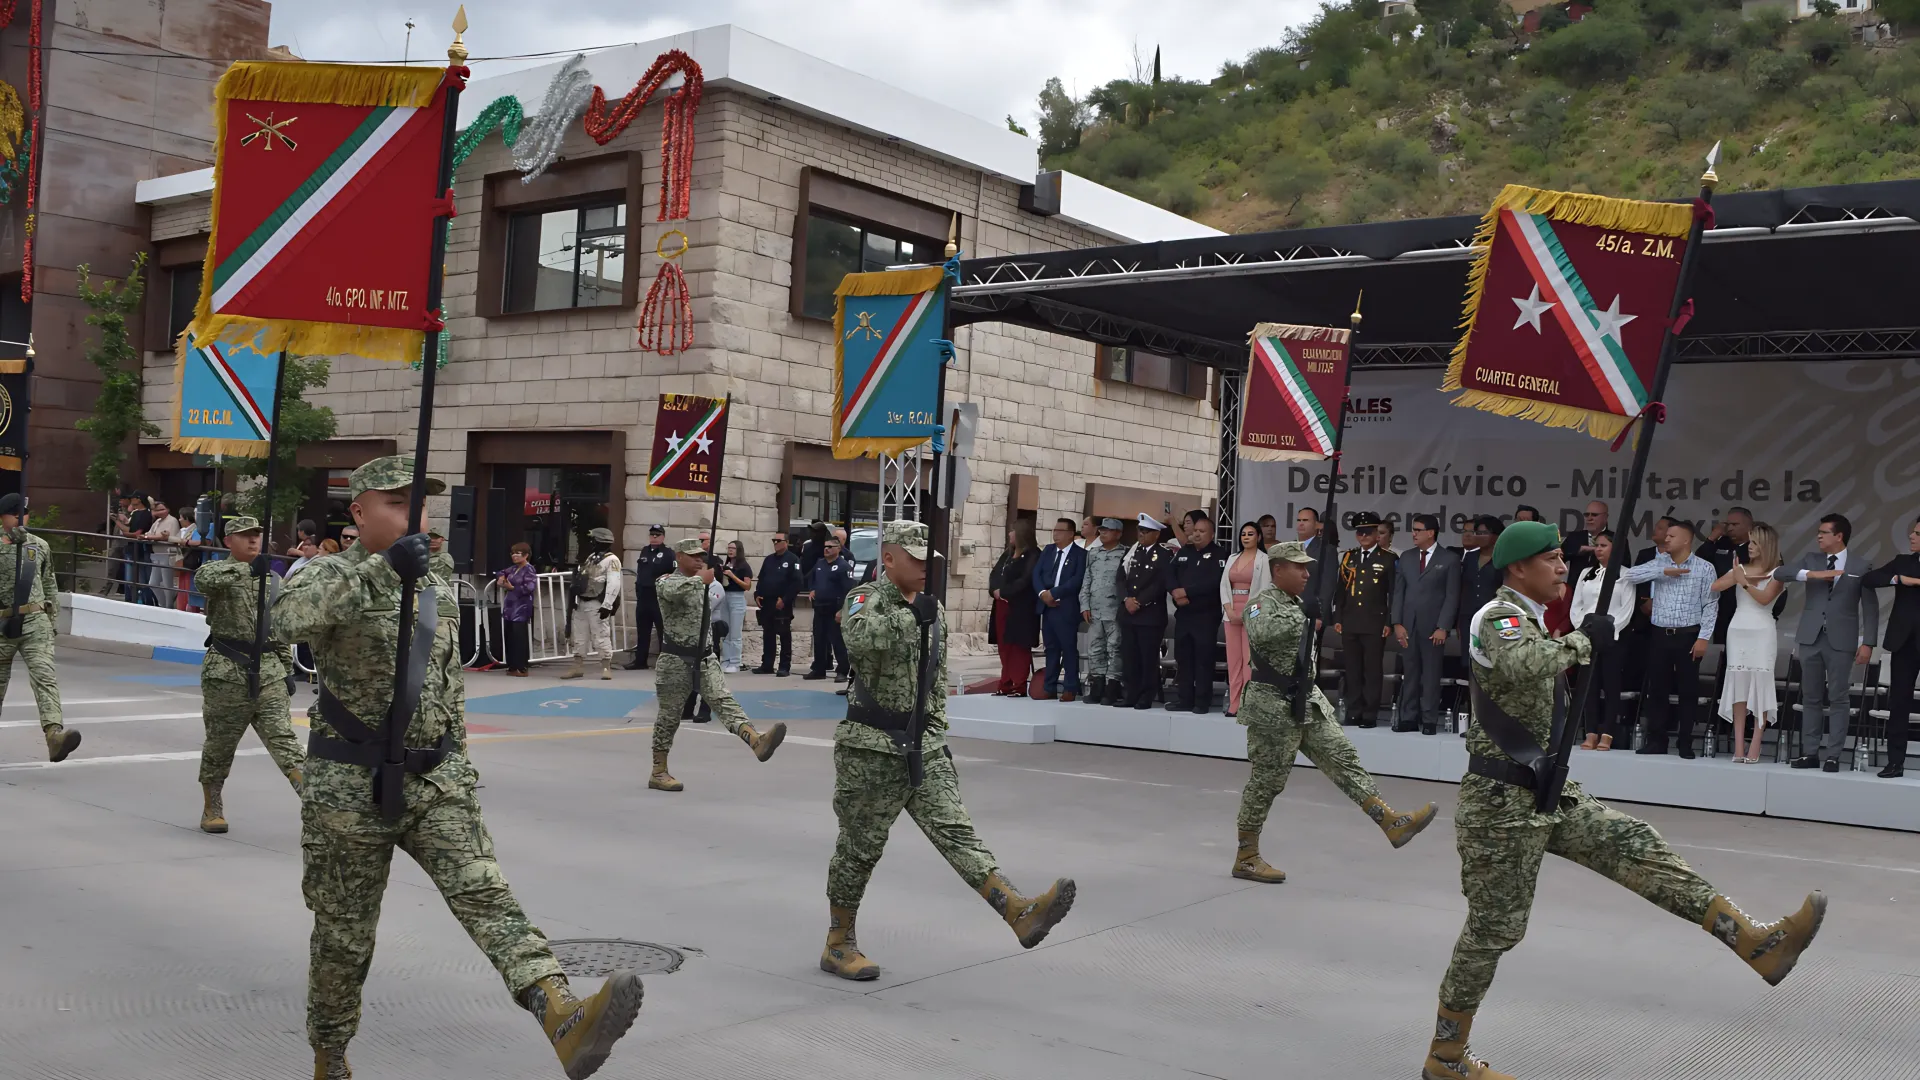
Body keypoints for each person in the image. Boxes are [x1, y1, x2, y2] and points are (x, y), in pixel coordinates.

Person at [274, 457, 644, 1080]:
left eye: (419, 502)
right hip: (349, 787)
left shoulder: (439, 582)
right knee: (344, 937)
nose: (413, 514)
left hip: (436, 780)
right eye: (395, 502)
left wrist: (458, 766)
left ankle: (560, 1013)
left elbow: (445, 684)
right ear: (359, 512)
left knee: (487, 896)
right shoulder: (327, 574)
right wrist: (384, 570)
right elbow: (287, 622)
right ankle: (330, 1055)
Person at [1423, 519, 1824, 1080]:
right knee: (1492, 932)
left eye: (1563, 558)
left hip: (1547, 792)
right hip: (1498, 805)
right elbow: (1522, 664)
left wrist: (1580, 639)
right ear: (1517, 568)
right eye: (1551, 559)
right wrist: (1586, 639)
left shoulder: (1537, 620)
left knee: (1634, 844)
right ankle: (1445, 1055)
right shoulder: (1499, 617)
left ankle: (1754, 942)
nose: (1564, 566)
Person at [821, 519, 1075, 981]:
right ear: (890, 558)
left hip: (925, 748)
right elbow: (860, 641)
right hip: (872, 753)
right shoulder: (865, 599)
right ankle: (839, 942)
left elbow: (933, 680)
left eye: (928, 560)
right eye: (915, 559)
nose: (925, 568)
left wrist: (937, 736)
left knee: (958, 834)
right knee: (858, 851)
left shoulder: (933, 609)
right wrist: (907, 614)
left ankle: (1016, 909)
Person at [1232, 540, 1437, 884]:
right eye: (1299, 567)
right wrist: (1302, 616)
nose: (1306, 573)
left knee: (1344, 758)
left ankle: (1389, 820)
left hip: (1308, 702)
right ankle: (1246, 854)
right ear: (1278, 569)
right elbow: (1262, 633)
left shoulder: (1299, 602)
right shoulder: (1260, 604)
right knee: (1267, 782)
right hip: (1272, 708)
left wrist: (1304, 611)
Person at [193, 514, 305, 832]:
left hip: (268, 669)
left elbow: (278, 628)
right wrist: (245, 569)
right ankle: (212, 806)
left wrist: (286, 669)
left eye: (257, 535)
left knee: (285, 741)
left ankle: (316, 805)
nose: (253, 540)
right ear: (229, 541)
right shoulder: (219, 571)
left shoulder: (272, 579)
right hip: (227, 669)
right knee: (220, 744)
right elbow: (205, 580)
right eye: (245, 536)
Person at [646, 539, 786, 791]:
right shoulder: (667, 581)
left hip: (705, 656)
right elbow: (673, 593)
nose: (700, 559)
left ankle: (756, 740)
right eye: (693, 556)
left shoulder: (706, 583)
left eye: (702, 555)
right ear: (679, 557)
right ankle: (658, 770)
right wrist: (702, 580)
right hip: (675, 659)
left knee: (723, 699)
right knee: (670, 716)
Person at [1775, 513, 1879, 772]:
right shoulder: (1812, 560)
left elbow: (1870, 608)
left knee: (1838, 697)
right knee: (1810, 696)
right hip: (1811, 637)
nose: (1819, 536)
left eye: (1824, 532)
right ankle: (1810, 753)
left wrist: (1868, 642)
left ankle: (1833, 755)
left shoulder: (1860, 565)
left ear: (1839, 535)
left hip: (1841, 639)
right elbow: (1780, 572)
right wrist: (1813, 574)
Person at [1616, 520, 1717, 758]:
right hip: (1660, 634)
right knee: (1657, 689)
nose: (1667, 539)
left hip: (1689, 635)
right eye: (1667, 535)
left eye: (1672, 536)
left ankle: (1685, 743)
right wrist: (1663, 572)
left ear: (1686, 540)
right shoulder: (1659, 561)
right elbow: (1629, 575)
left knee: (1688, 691)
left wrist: (1704, 638)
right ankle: (1656, 741)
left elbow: (1711, 604)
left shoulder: (1705, 568)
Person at [0, 494, 79, 763]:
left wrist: (52, 623)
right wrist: (12, 545)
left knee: (45, 677)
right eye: (18, 513)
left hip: (35, 620)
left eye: (26, 513)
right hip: (2, 623)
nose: (24, 518)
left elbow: (50, 586)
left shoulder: (39, 546)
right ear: (5, 516)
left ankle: (54, 735)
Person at [1713, 523, 1785, 764]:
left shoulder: (1778, 573)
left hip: (1762, 631)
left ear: (1766, 545)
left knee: (1761, 682)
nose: (1750, 547)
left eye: (1755, 543)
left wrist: (1744, 582)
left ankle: (1756, 741)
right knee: (1739, 684)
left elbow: (1765, 599)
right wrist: (1736, 576)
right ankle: (1739, 744)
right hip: (1738, 629)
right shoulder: (1740, 568)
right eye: (1750, 542)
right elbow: (1716, 586)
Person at [1861, 515, 1920, 778]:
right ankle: (1895, 761)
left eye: (1918, 533)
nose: (1912, 536)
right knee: (1899, 703)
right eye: (1913, 532)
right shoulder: (1903, 562)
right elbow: (1870, 579)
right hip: (1904, 642)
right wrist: (1899, 579)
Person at [1391, 514, 1460, 736]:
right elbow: (1398, 591)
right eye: (1413, 529)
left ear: (1431, 532)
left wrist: (1443, 626)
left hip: (1433, 627)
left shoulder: (1449, 559)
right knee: (1410, 672)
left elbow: (1452, 596)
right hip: (1408, 625)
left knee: (1431, 674)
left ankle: (1429, 719)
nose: (1414, 533)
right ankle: (1408, 717)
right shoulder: (1407, 557)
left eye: (1418, 530)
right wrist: (1397, 622)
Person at [1570, 531, 1638, 751]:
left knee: (1611, 686)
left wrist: (1607, 631)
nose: (1598, 549)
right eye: (1596, 545)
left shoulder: (1626, 575)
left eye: (1604, 545)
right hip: (1587, 637)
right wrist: (1583, 630)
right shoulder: (1586, 573)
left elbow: (1626, 610)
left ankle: (1607, 733)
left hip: (1612, 639)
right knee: (1588, 687)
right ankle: (1590, 732)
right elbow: (1576, 605)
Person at [1332, 511, 1394, 728]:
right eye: (1360, 532)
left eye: (1369, 532)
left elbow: (1393, 594)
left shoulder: (1388, 558)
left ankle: (1369, 713)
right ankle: (1354, 710)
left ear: (1377, 534)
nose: (1364, 536)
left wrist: (1389, 622)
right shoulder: (1349, 557)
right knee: (1352, 669)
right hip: (1350, 620)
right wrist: (1338, 616)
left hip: (1375, 622)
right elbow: (1341, 590)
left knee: (1372, 670)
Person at [1168, 512, 1229, 714]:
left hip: (1205, 616)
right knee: (1183, 658)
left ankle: (1202, 701)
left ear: (1211, 534)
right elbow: (1169, 574)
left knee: (1203, 660)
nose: (1197, 534)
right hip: (1184, 614)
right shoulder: (1185, 551)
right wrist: (1175, 592)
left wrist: (1187, 592)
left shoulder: (1220, 555)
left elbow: (1214, 583)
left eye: (1202, 531)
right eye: (1194, 531)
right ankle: (1185, 699)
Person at [1454, 517, 1506, 727]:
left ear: (1495, 536)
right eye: (1477, 533)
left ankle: (1492, 720)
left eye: (1483, 533)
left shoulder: (1504, 559)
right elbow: (1461, 589)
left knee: (1491, 667)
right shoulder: (1468, 557)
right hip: (1468, 619)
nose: (1478, 537)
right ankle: (1474, 718)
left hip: (1492, 620)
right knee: (1471, 667)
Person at [1119, 513, 1173, 709]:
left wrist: (1139, 601)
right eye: (1140, 530)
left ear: (1156, 534)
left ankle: (1146, 695)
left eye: (1146, 531)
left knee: (1147, 658)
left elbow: (1160, 584)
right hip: (1128, 613)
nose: (1141, 534)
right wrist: (1126, 598)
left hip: (1149, 614)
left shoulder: (1164, 554)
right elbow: (1120, 578)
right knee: (1130, 657)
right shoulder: (1132, 552)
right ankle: (1130, 694)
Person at [1031, 518, 1087, 701]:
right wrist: (1042, 594)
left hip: (1065, 607)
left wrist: (1054, 593)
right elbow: (1036, 573)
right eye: (1054, 530)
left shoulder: (1081, 554)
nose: (1055, 534)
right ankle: (1050, 687)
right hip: (1047, 607)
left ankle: (1071, 687)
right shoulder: (1048, 551)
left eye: (1060, 531)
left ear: (1071, 534)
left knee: (1068, 648)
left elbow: (1077, 579)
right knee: (1051, 648)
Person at [1221, 520, 1270, 718]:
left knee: (1250, 661)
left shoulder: (1264, 560)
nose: (1246, 537)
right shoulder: (1232, 558)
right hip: (1231, 613)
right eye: (1244, 534)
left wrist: (1249, 614)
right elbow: (1224, 586)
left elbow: (1265, 592)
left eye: (1251, 534)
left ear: (1258, 537)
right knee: (1233, 661)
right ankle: (1234, 704)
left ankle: (1249, 704)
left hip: (1253, 613)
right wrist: (1229, 610)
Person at [562, 527, 624, 681]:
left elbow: (614, 583)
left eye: (593, 540)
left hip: (597, 603)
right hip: (582, 602)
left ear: (600, 541)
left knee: (601, 635)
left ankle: (606, 667)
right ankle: (577, 666)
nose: (591, 542)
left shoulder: (612, 560)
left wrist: (607, 605)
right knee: (580, 636)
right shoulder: (592, 557)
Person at [987, 521, 1040, 696]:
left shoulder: (1033, 555)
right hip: (1002, 605)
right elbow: (995, 574)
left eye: (1012, 531)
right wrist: (994, 590)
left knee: (1018, 644)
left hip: (1020, 607)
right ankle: (1006, 682)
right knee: (1004, 644)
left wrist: (1005, 592)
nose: (1010, 534)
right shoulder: (1007, 554)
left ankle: (1019, 683)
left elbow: (1026, 580)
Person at [1080, 518, 1126, 706]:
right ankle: (1097, 687)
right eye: (1102, 530)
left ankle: (1112, 688)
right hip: (1095, 611)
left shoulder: (1125, 553)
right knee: (1095, 649)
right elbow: (1087, 580)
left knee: (1115, 649)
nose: (1103, 533)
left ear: (1118, 533)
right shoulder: (1093, 553)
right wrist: (1084, 605)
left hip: (1115, 610)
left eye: (1108, 530)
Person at [805, 535, 856, 682]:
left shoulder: (843, 566)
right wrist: (812, 589)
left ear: (838, 549)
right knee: (819, 639)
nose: (826, 549)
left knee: (837, 641)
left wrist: (843, 610)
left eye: (830, 547)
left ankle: (842, 670)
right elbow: (812, 578)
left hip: (835, 609)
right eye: (825, 547)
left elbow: (849, 590)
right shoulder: (820, 564)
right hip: (820, 608)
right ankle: (819, 669)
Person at [753, 532, 803, 676]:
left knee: (784, 634)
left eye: (778, 540)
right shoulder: (769, 560)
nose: (775, 543)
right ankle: (767, 664)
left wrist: (785, 599)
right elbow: (761, 579)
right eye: (774, 540)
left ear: (786, 542)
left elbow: (797, 583)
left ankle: (784, 666)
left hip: (782, 603)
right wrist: (757, 594)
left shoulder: (793, 560)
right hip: (767, 602)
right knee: (768, 634)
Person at [627, 525, 675, 670]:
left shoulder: (668, 553)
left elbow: (674, 573)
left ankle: (664, 662)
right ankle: (640, 661)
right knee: (643, 630)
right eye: (652, 535)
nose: (654, 537)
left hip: (659, 597)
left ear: (663, 537)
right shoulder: (645, 551)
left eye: (657, 535)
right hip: (643, 596)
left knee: (662, 631)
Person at [496, 543, 538, 677]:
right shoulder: (513, 569)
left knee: (519, 637)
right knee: (510, 636)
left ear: (525, 555)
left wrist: (512, 588)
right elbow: (500, 572)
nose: (514, 556)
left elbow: (529, 588)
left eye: (518, 553)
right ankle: (512, 665)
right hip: (510, 607)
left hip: (521, 607)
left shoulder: (529, 569)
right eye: (513, 553)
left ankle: (522, 666)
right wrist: (501, 577)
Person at [717, 540, 752, 673]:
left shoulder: (744, 566)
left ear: (738, 550)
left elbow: (747, 586)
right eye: (729, 548)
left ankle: (735, 662)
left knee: (735, 633)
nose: (730, 550)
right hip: (725, 597)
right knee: (725, 631)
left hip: (737, 597)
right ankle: (725, 660)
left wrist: (733, 576)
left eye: (733, 548)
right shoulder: (726, 564)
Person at [1560, 501, 1608, 576]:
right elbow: (1558, 558)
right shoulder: (1574, 537)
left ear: (1605, 517)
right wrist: (1579, 549)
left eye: (1594, 515)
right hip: (1576, 586)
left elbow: (1623, 567)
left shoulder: (1616, 539)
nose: (1589, 518)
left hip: (1602, 586)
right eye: (1587, 515)